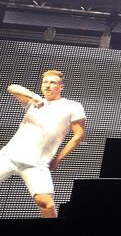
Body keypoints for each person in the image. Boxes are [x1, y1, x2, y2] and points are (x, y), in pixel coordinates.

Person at [1, 70, 86, 218]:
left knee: (47, 204)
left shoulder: (72, 106)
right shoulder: (32, 102)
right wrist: (34, 96)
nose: (48, 86)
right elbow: (11, 87)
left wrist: (58, 158)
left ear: (61, 87)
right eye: (45, 82)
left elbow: (78, 136)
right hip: (9, 157)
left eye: (52, 82)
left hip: (37, 164)